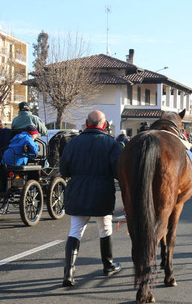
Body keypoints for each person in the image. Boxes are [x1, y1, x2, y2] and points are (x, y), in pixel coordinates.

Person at [60, 110, 122, 287]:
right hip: (102, 192)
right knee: (105, 228)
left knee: (75, 231)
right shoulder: (111, 144)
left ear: (87, 124)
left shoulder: (73, 143)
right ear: (104, 125)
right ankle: (108, 265)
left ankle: (69, 272)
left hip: (78, 191)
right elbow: (118, 172)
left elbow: (64, 170)